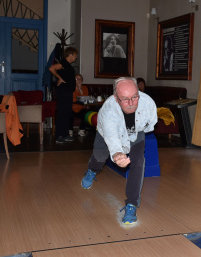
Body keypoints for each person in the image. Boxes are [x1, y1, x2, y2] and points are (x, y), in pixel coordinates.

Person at [81, 77, 157, 224]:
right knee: (99, 157)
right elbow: (112, 136)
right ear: (116, 98)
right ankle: (92, 170)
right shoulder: (107, 112)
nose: (131, 103)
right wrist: (117, 153)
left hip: (136, 132)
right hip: (107, 134)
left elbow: (150, 124)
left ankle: (132, 204)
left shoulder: (148, 103)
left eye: (134, 97)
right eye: (125, 99)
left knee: (138, 162)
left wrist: (133, 136)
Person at [49, 47, 78, 143]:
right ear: (70, 55)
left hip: (68, 91)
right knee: (62, 113)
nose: (76, 57)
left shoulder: (68, 65)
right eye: (75, 55)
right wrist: (59, 78)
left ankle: (65, 135)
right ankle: (59, 136)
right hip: (63, 91)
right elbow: (51, 68)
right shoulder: (63, 63)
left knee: (67, 113)